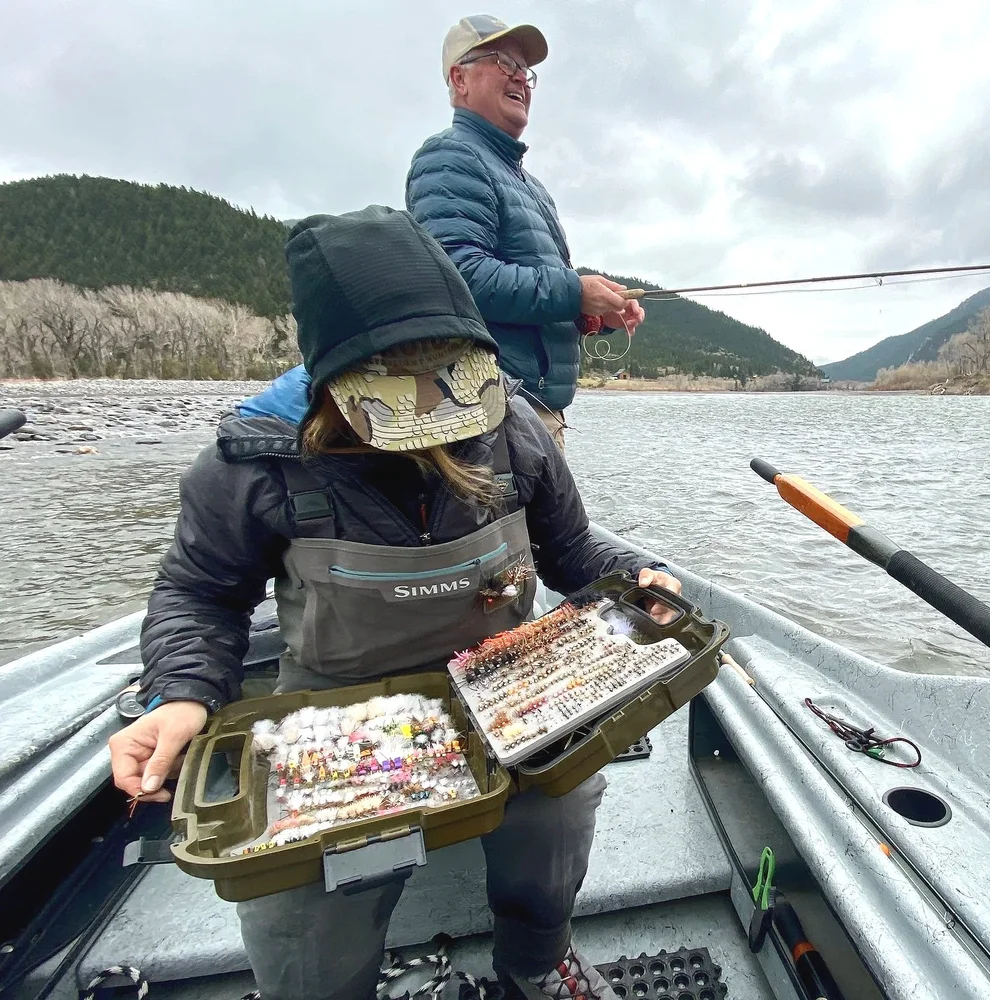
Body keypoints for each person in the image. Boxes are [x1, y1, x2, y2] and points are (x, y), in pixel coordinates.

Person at [107, 206, 678, 1000]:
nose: (434, 425)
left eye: (450, 378)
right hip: (335, 709)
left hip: (510, 688)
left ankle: (537, 964)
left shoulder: (514, 428)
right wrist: (182, 695)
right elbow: (199, 594)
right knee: (301, 902)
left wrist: (639, 573)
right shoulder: (250, 465)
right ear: (333, 383)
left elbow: (575, 553)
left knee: (564, 795)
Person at [405, 15, 644, 454]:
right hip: (492, 418)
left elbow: (536, 298)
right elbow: (458, 278)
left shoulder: (532, 188)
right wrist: (575, 291)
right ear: (459, 78)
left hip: (532, 415)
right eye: (502, 61)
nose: (520, 76)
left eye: (525, 69)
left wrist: (593, 317)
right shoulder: (449, 156)